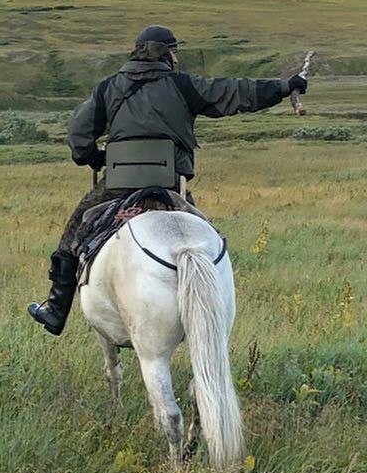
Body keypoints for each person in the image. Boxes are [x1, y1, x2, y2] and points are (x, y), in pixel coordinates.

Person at [28, 25, 309, 335]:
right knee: (205, 237)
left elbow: (78, 135)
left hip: (117, 184)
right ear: (169, 54)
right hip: (170, 184)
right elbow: (234, 91)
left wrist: (95, 158)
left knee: (73, 235)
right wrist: (284, 87)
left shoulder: (108, 88)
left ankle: (55, 309)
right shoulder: (184, 85)